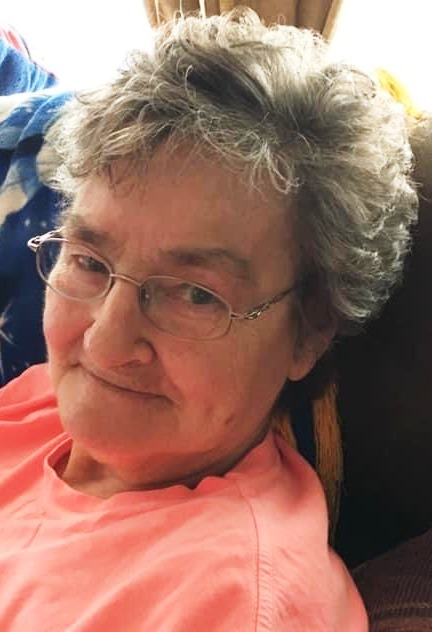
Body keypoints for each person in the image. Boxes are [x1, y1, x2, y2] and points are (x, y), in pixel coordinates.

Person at [0, 9, 417, 631]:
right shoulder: (42, 405)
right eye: (88, 261)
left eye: (195, 295)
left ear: (310, 333)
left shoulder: (231, 605)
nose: (106, 343)